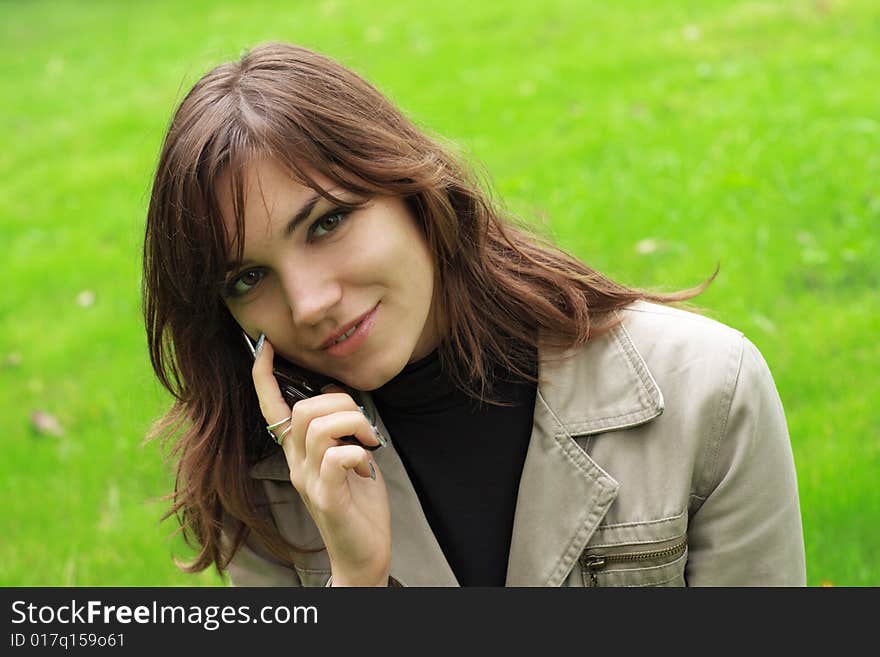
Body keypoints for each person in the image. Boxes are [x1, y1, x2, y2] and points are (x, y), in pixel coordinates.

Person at [142, 42, 806, 587]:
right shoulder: (263, 490)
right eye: (249, 277)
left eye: (327, 222)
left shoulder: (706, 392)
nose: (310, 302)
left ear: (411, 189)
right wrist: (354, 580)